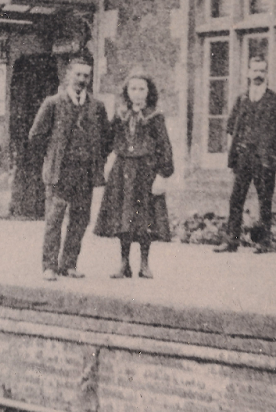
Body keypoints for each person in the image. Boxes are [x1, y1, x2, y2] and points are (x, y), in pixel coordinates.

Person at [28, 55, 110, 281]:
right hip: (60, 173)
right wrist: (51, 156)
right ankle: (49, 266)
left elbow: (107, 138)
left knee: (80, 219)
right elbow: (35, 136)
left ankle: (69, 264)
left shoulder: (97, 106)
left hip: (85, 173)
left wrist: (95, 159)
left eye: (86, 75)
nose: (82, 79)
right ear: (68, 76)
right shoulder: (53, 103)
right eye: (78, 75)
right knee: (54, 218)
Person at [94, 76, 174, 279]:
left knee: (144, 219)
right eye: (133, 89)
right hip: (122, 172)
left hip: (145, 172)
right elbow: (107, 141)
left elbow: (165, 148)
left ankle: (145, 264)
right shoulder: (121, 115)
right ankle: (124, 263)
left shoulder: (155, 117)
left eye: (141, 89)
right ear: (127, 92)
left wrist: (162, 175)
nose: (137, 93)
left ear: (149, 92)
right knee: (124, 218)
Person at [215, 55, 276, 254]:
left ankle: (263, 241)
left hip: (265, 160)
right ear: (248, 73)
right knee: (236, 199)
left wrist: (269, 147)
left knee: (264, 201)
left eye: (261, 71)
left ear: (266, 74)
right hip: (243, 157)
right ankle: (231, 241)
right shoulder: (241, 100)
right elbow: (232, 126)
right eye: (254, 70)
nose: (258, 75)